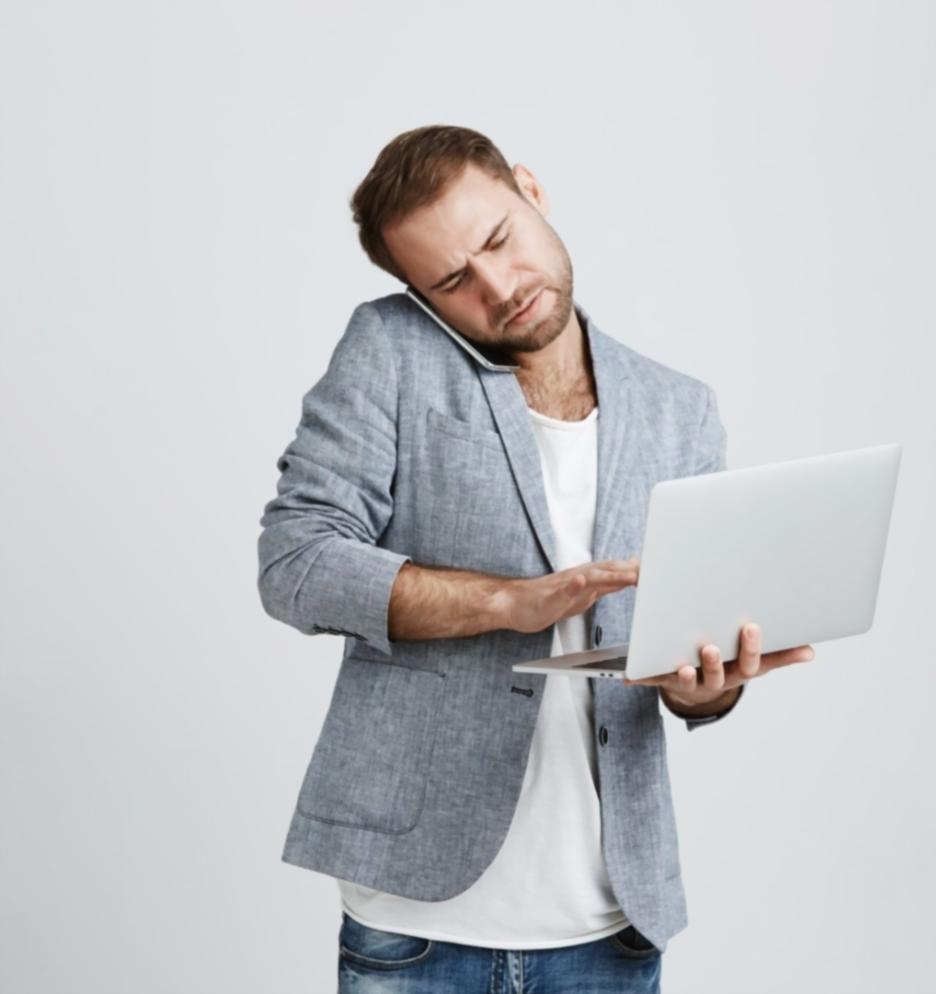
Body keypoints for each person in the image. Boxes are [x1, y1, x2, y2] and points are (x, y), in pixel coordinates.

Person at [256, 124, 816, 993]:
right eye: (451, 281)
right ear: (418, 296)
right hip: (416, 927)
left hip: (613, 922)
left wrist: (709, 690)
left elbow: (693, 648)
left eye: (497, 239)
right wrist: (507, 604)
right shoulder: (388, 352)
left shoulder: (680, 411)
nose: (498, 287)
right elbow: (296, 560)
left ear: (530, 190)